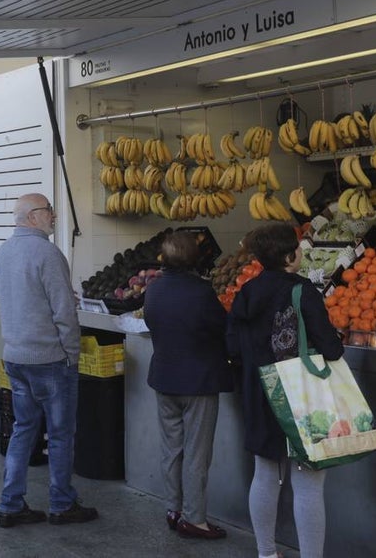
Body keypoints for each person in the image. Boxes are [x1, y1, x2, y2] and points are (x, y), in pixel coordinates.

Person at [227, 223, 344, 558]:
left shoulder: (245, 293)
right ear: (291, 255)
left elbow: (232, 345)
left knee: (264, 473)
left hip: (260, 391)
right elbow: (330, 348)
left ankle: (266, 553)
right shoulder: (303, 291)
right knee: (308, 481)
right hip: (301, 394)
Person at [0, 194, 97, 529]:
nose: (53, 215)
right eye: (48, 210)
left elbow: (19, 299)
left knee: (23, 429)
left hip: (15, 357)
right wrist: (71, 354)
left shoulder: (3, 252)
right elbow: (64, 314)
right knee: (61, 433)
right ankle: (62, 504)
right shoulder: (48, 254)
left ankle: (10, 504)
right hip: (50, 359)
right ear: (32, 216)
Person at [143, 231, 233, 539]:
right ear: (196, 259)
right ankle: (195, 519)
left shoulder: (153, 290)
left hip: (164, 377)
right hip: (198, 381)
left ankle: (174, 509)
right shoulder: (201, 293)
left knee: (172, 449)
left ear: (164, 259)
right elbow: (222, 329)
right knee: (196, 453)